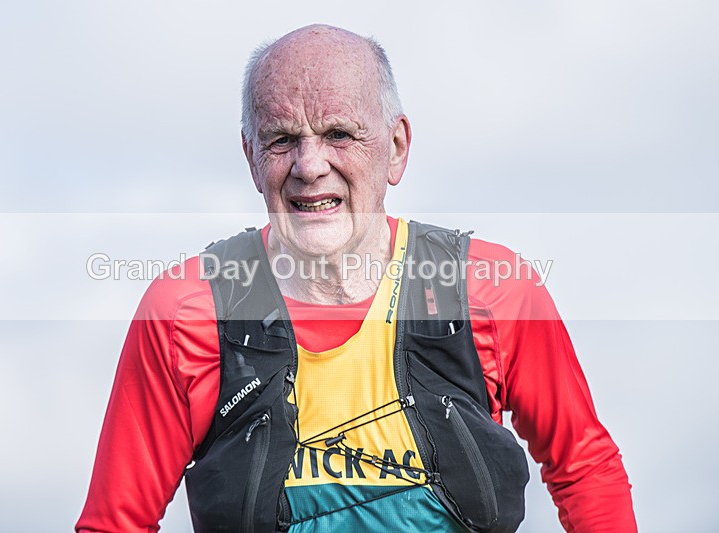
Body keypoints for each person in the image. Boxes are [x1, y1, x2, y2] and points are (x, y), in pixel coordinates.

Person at [76, 24, 637, 532]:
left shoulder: (490, 287)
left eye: (339, 134)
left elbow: (584, 469)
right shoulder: (185, 312)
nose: (309, 166)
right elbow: (115, 524)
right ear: (251, 157)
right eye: (281, 140)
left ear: (395, 149)